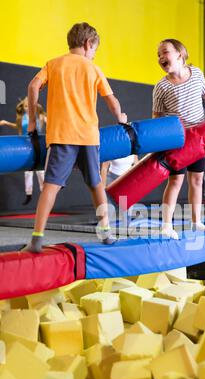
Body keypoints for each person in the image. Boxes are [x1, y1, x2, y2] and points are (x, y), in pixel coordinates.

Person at [23, 22, 127, 253]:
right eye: (95, 50)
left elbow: (33, 86)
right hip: (89, 137)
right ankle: (106, 232)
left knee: (50, 186)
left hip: (62, 136)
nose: (93, 55)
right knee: (96, 184)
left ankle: (37, 238)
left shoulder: (53, 64)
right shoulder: (93, 68)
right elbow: (112, 100)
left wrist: (32, 120)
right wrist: (121, 117)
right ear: (89, 44)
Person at [152, 38, 205, 239]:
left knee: (197, 179)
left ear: (179, 53)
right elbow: (156, 117)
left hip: (198, 137)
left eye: (165, 52)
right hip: (177, 140)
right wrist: (159, 141)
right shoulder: (161, 87)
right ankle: (167, 225)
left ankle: (196, 222)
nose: (161, 57)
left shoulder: (196, 74)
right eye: (158, 55)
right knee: (176, 180)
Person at [0, 96, 46, 205]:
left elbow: (48, 120)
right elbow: (18, 126)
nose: (27, 108)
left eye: (29, 106)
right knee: (28, 173)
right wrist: (6, 123)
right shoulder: (23, 117)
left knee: (41, 173)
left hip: (37, 144)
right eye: (26, 106)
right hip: (26, 144)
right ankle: (28, 194)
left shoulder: (39, 116)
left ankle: (44, 193)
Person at [101, 154, 138, 223]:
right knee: (110, 209)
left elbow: (137, 165)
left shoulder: (133, 147)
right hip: (112, 181)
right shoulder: (113, 147)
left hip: (126, 181)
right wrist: (102, 187)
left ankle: (126, 227)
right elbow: (104, 168)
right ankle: (105, 227)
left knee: (126, 213)